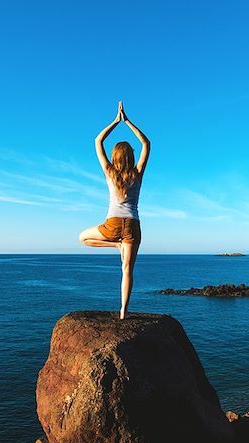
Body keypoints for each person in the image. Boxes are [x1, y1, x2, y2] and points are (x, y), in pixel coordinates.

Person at [79, 101, 150, 319]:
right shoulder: (138, 173)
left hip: (112, 225)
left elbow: (97, 140)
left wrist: (115, 121)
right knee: (127, 270)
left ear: (114, 157)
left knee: (82, 238)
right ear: (130, 156)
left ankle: (114, 244)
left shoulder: (110, 172)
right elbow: (146, 143)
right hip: (133, 227)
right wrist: (128, 121)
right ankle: (123, 313)